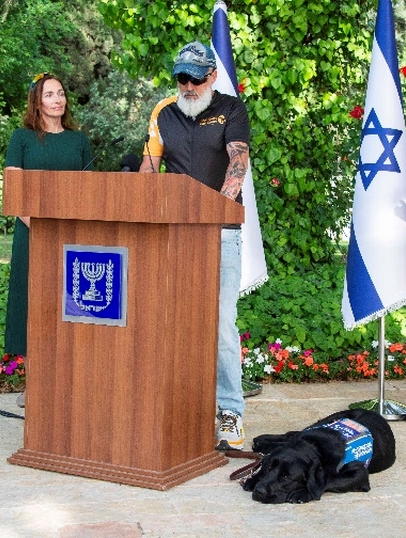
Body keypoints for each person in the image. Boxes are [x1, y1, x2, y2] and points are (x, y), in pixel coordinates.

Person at [139, 41, 250, 450]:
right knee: (170, 322)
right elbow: (149, 169)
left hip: (219, 232)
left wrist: (215, 209)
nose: (186, 86)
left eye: (194, 78)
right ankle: (178, 408)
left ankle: (230, 411)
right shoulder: (163, 113)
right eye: (180, 78)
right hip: (172, 235)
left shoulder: (231, 109)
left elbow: (238, 163)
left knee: (220, 327)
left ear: (211, 77)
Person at [5, 73, 93, 407]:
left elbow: (91, 190)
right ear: (37, 102)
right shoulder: (22, 138)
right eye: (49, 95)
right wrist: (41, 228)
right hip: (33, 235)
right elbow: (14, 191)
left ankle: (71, 381)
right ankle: (35, 385)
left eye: (60, 94)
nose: (57, 100)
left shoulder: (79, 140)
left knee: (72, 306)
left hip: (74, 238)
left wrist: (70, 228)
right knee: (35, 305)